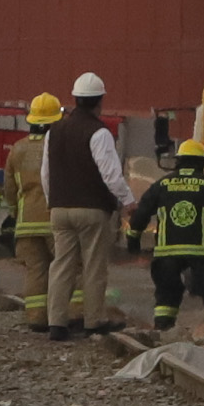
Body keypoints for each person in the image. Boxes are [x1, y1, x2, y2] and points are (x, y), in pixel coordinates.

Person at [40, 73, 133, 342]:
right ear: (99, 101)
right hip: (92, 209)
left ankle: (56, 324)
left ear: (76, 99)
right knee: (93, 266)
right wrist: (128, 200)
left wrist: (52, 200)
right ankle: (94, 321)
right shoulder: (99, 132)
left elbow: (45, 173)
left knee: (61, 265)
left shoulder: (53, 131)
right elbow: (111, 175)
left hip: (59, 209)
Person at [129, 138, 204, 340]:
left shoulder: (161, 185)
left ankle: (162, 330)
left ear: (179, 161)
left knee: (167, 293)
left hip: (167, 253)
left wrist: (133, 239)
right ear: (201, 162)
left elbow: (141, 213)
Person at [7, 96, 60, 331]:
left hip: (26, 222)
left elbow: (9, 190)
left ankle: (37, 318)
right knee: (67, 267)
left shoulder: (17, 149)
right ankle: (71, 314)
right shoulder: (59, 146)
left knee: (36, 270)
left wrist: (15, 212)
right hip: (55, 220)